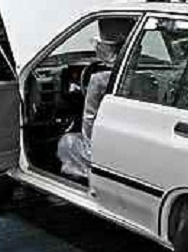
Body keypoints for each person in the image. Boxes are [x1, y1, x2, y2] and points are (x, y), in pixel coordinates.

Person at [57, 18, 134, 181]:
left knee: (66, 141)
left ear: (104, 48)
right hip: (130, 141)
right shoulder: (143, 75)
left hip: (105, 148)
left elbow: (89, 126)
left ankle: (85, 178)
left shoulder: (99, 80)